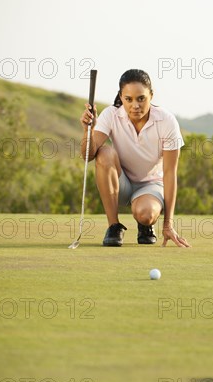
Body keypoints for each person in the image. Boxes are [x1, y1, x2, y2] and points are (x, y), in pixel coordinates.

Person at [79, 69, 190, 248]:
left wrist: (168, 224)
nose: (135, 105)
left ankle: (145, 226)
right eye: (128, 99)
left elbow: (170, 173)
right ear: (121, 97)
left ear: (151, 96)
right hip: (120, 183)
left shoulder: (167, 121)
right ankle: (113, 227)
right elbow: (87, 155)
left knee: (146, 214)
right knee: (105, 153)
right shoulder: (110, 115)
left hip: (151, 186)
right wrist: (88, 130)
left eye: (141, 98)